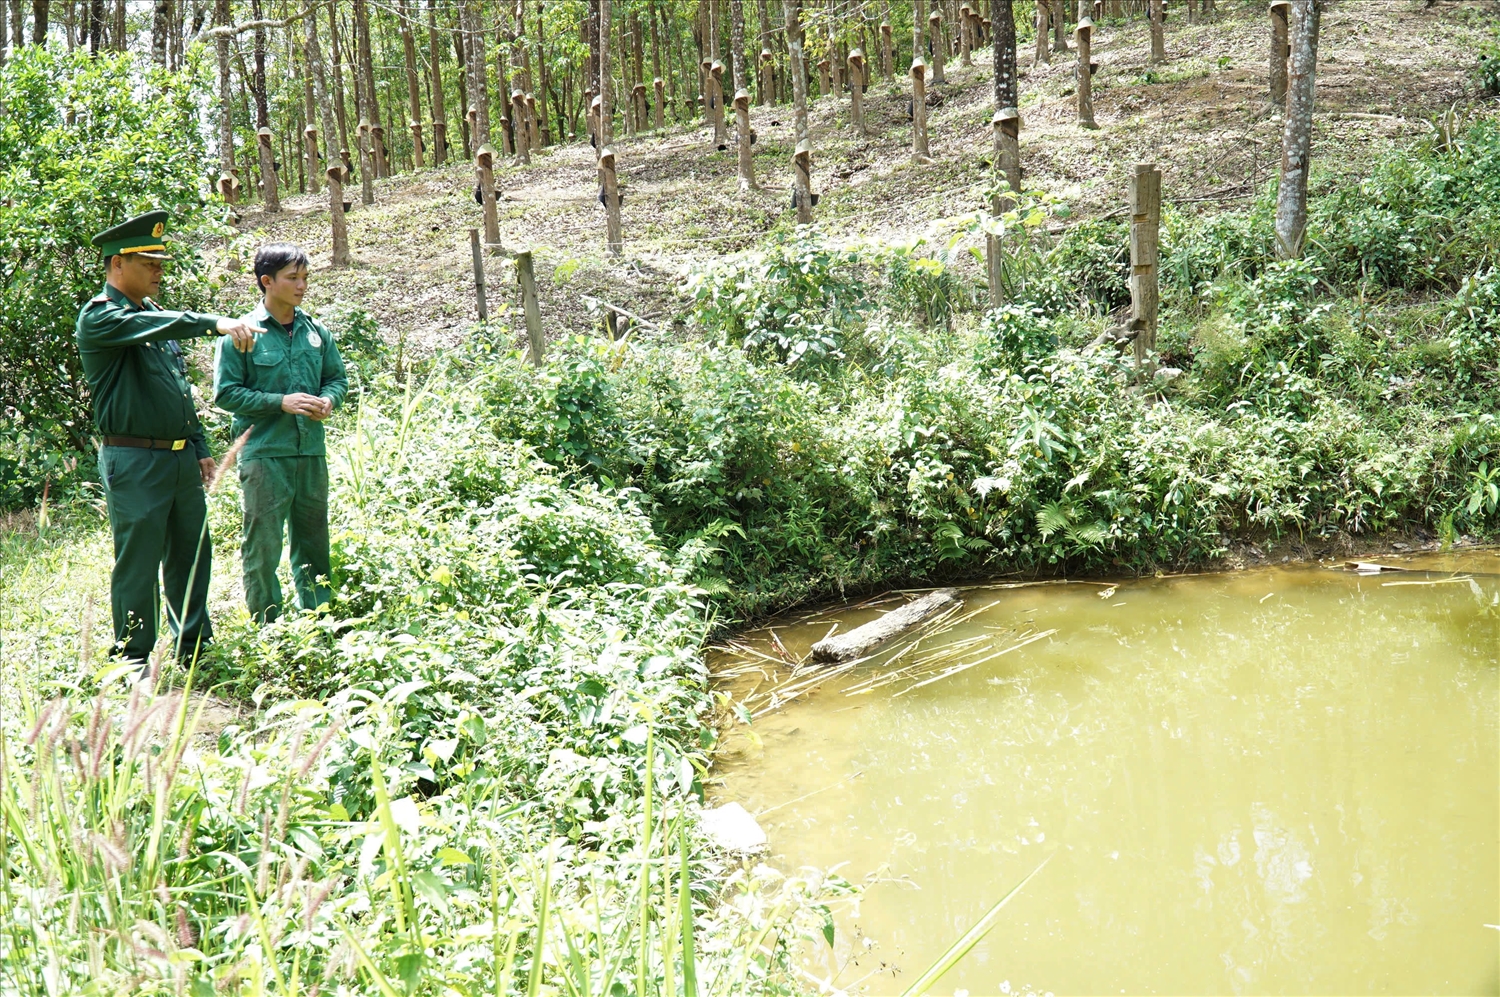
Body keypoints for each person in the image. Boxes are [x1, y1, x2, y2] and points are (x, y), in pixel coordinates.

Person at [75, 209, 263, 665]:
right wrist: (213, 322)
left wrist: (198, 448)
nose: (159, 270)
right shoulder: (101, 318)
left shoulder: (154, 313)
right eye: (148, 262)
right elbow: (162, 329)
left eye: (161, 262)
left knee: (191, 552)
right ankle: (134, 658)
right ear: (117, 263)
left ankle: (194, 648)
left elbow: (177, 388)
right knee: (138, 560)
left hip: (179, 459)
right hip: (134, 459)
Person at [214, 243, 347, 622]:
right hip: (265, 453)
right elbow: (226, 393)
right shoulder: (242, 334)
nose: (302, 285)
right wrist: (280, 402)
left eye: (305, 277)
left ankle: (319, 621)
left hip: (310, 452)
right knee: (263, 545)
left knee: (314, 543)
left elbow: (336, 378)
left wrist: (329, 401)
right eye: (293, 278)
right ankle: (267, 625)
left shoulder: (315, 331)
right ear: (267, 282)